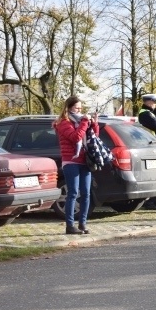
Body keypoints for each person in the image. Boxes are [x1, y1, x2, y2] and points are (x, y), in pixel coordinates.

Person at [54, 96, 98, 235]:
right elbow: (75, 137)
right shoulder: (63, 123)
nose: (79, 110)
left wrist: (94, 124)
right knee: (72, 193)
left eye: (81, 108)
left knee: (86, 193)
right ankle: (69, 225)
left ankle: (82, 223)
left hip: (84, 160)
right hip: (71, 161)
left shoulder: (81, 121)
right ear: (68, 107)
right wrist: (85, 121)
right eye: (76, 108)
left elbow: (93, 137)